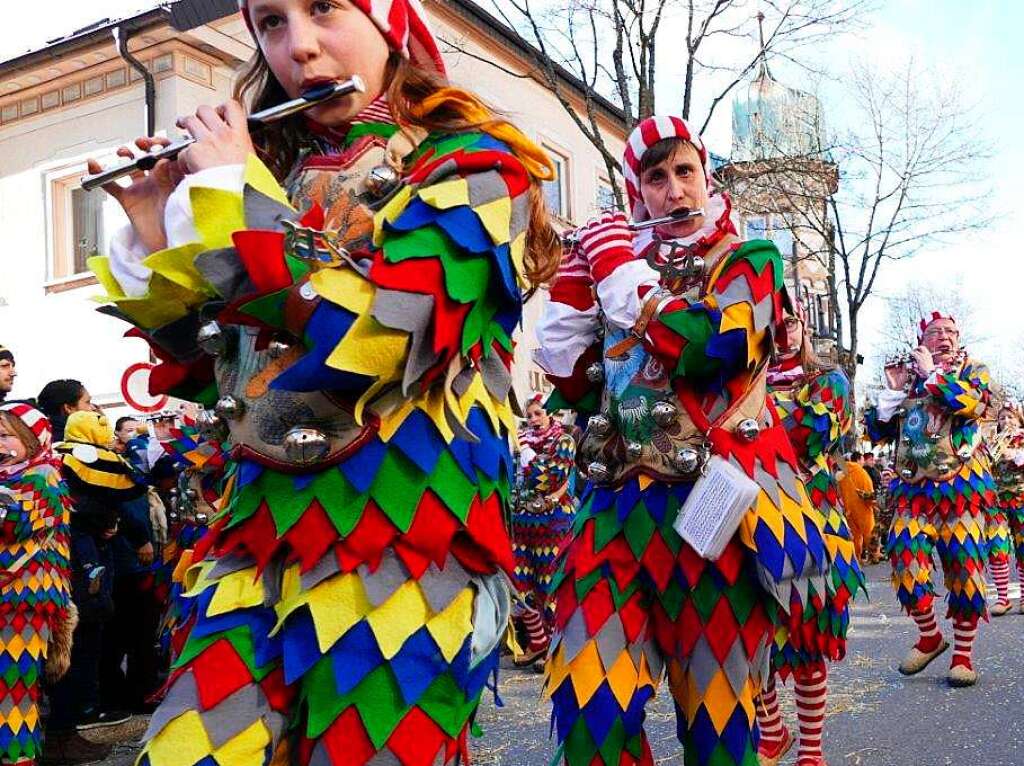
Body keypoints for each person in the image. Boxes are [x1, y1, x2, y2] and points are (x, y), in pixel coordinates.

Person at [87, 0, 560, 760]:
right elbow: (228, 376)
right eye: (271, 22)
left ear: (390, 24)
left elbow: (370, 339)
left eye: (324, 9)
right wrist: (155, 223)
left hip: (404, 552)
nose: (299, 48)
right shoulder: (273, 174)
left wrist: (236, 202)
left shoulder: (475, 165)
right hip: (255, 541)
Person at [535, 115, 831, 766]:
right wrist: (570, 303)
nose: (672, 189)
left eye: (684, 172)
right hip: (613, 517)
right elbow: (588, 392)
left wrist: (620, 278)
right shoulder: (621, 262)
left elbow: (711, 350)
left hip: (716, 516)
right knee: (589, 712)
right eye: (655, 177)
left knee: (718, 736)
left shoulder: (751, 261)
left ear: (705, 177)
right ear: (638, 191)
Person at [758, 304, 864, 766]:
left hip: (811, 521)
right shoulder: (739, 382)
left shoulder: (829, 381)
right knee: (749, 632)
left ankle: (812, 752)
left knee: (807, 637)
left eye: (790, 322)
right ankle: (772, 731)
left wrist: (737, 429)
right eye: (770, 322)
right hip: (751, 518)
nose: (781, 331)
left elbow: (802, 440)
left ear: (803, 327)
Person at [865, 312, 994, 687]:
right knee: (904, 559)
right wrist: (890, 398)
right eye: (936, 332)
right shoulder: (909, 377)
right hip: (913, 490)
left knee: (965, 570)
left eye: (951, 332)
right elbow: (877, 431)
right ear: (923, 338)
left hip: (962, 490)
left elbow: (969, 403)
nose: (944, 337)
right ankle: (930, 636)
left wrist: (933, 375)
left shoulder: (974, 369)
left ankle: (963, 657)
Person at [0, 403, 81, 764]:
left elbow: (12, 522)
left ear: (32, 441)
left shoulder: (43, 474)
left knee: (13, 694)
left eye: (4, 436)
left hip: (24, 602)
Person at [511, 396, 576, 666]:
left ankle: (553, 646)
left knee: (549, 585)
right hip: (521, 522)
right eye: (530, 416)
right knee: (519, 582)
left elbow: (551, 478)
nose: (534, 420)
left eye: (538, 414)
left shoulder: (564, 441)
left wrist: (529, 459)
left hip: (553, 523)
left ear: (550, 414)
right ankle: (537, 641)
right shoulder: (520, 441)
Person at [991, 403, 1024, 613]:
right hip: (997, 503)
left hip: (1021, 499)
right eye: (1002, 418)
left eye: (1010, 417)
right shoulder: (994, 441)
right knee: (997, 547)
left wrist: (1016, 455)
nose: (1006, 422)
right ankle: (1003, 599)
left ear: (1019, 420)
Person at [838, 452, 876, 563]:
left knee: (855, 536)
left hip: (849, 510)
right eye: (863, 459)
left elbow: (839, 492)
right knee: (869, 532)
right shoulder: (862, 473)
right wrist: (873, 504)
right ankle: (874, 555)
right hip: (863, 509)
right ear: (859, 460)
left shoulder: (843, 473)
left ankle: (856, 558)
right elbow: (869, 492)